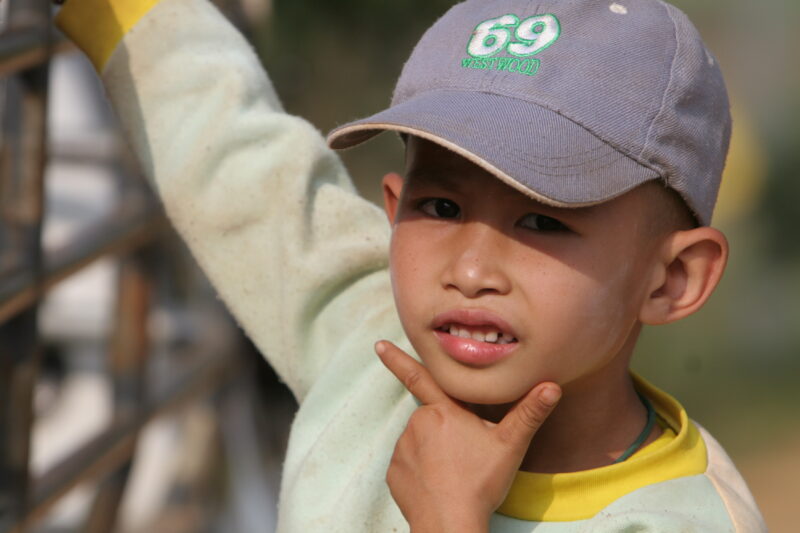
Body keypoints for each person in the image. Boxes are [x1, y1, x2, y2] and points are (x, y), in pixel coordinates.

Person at [55, 0, 767, 531]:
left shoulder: (686, 519)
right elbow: (243, 171)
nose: (471, 267)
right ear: (391, 213)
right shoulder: (369, 356)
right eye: (442, 208)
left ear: (673, 278)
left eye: (544, 219)